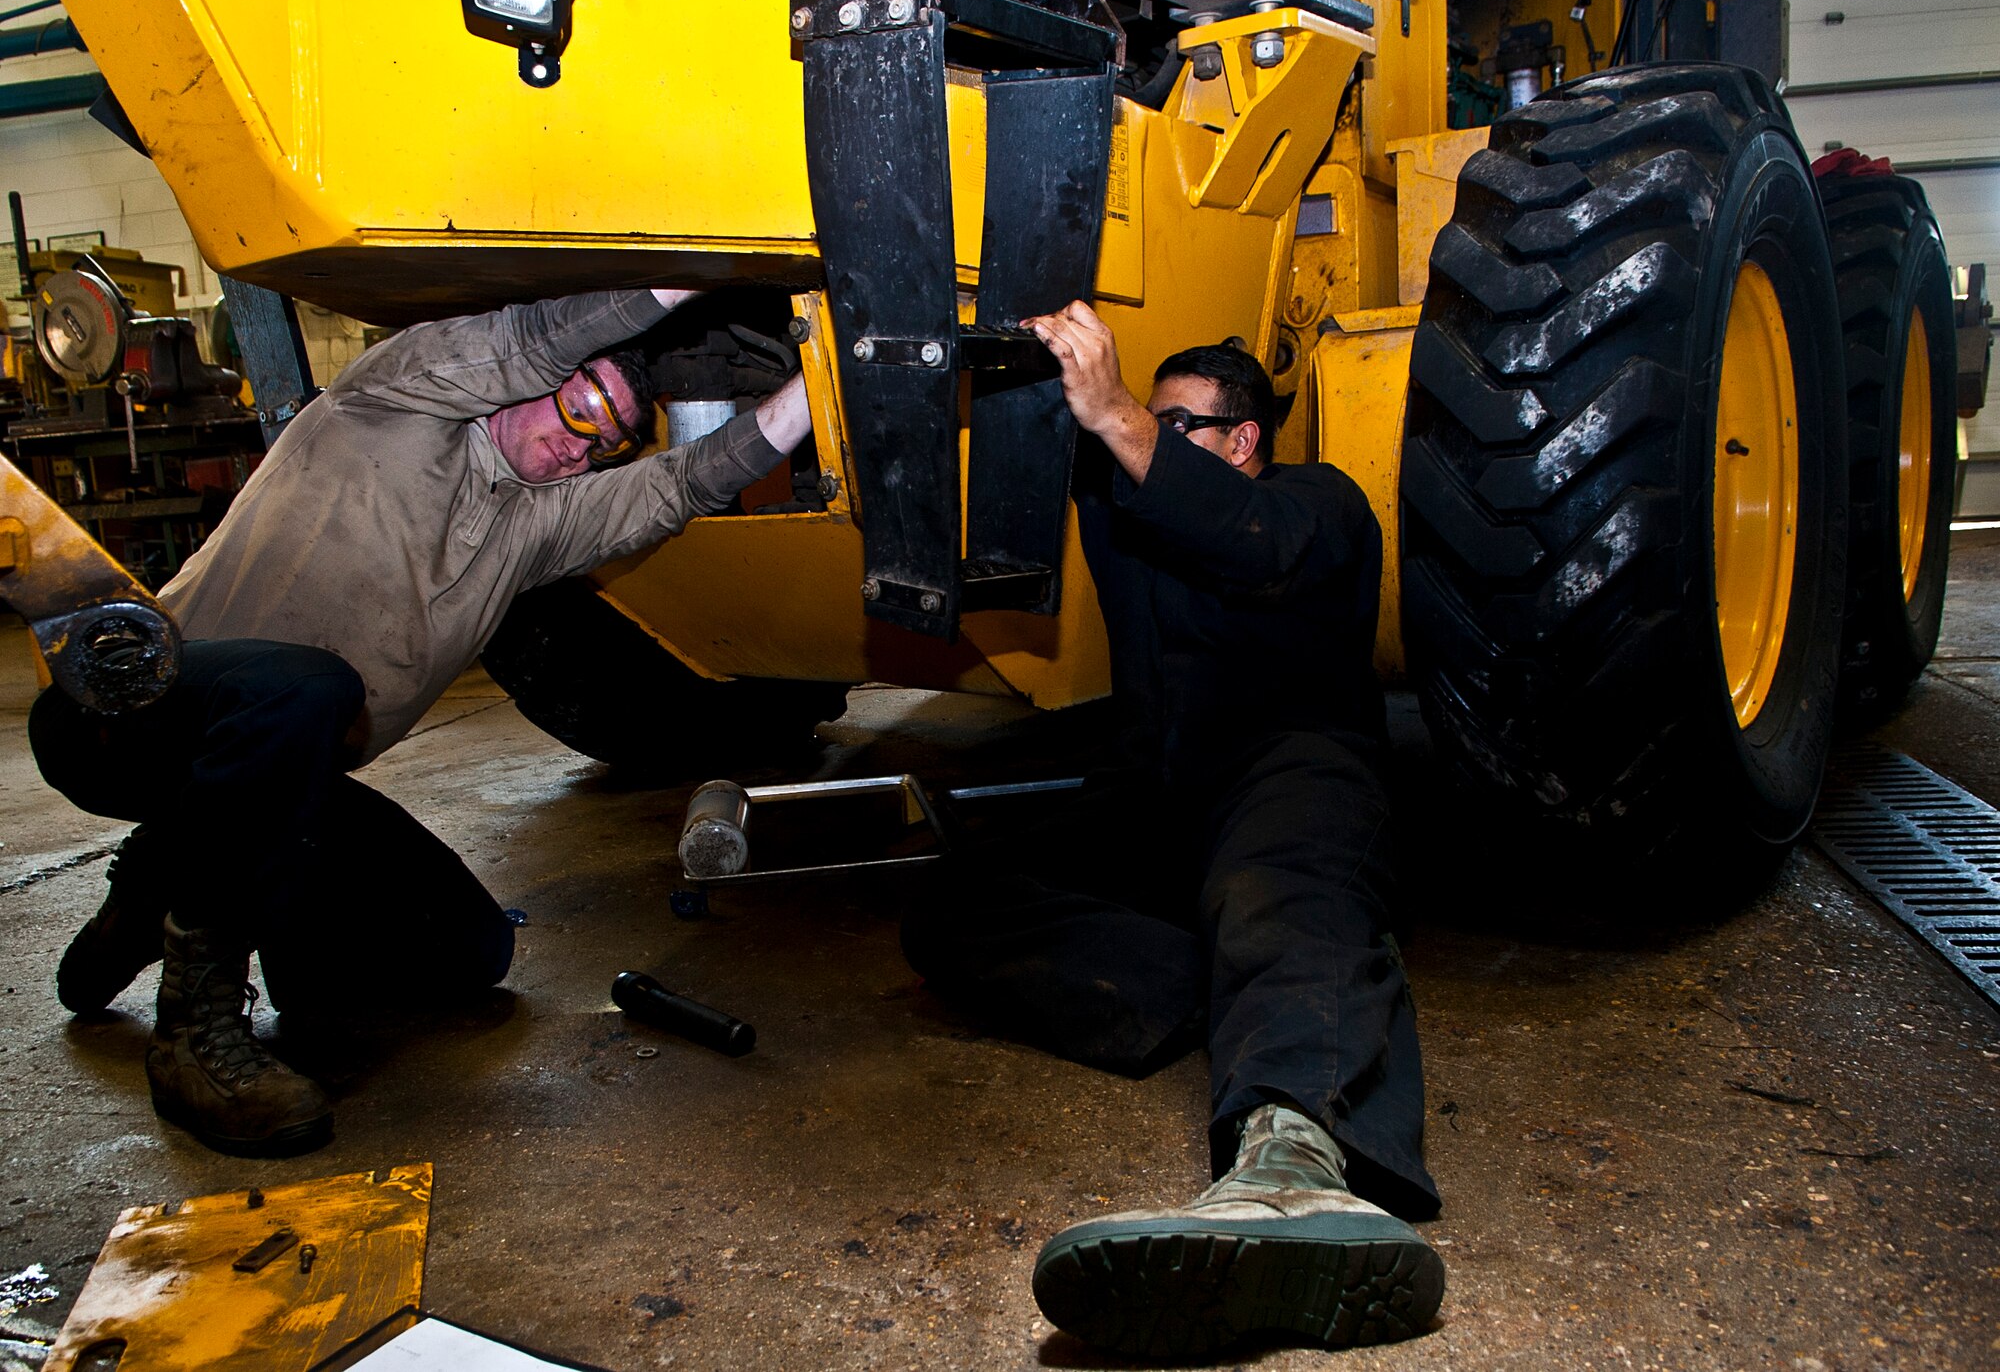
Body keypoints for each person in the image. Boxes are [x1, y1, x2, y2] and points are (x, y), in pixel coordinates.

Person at [29, 287, 812, 1158]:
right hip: (128, 712)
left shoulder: (528, 528)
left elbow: (679, 485)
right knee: (306, 689)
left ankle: (166, 883)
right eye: (579, 406)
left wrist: (821, 383)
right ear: (528, 383)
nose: (579, 443)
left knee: (468, 953)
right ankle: (193, 1022)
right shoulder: (394, 401)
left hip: (279, 781)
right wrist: (684, 265)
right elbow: (534, 333)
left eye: (606, 439)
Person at [900, 301, 1445, 1359]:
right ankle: (1230, 990)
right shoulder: (1132, 508)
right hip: (1167, 796)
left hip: (1295, 772)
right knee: (954, 898)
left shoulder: (1317, 503)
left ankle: (1294, 1163)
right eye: (1136, 419)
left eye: (1172, 423)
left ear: (1240, 439)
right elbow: (1043, 447)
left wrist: (1114, 412)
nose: (1137, 436)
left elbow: (1251, 543)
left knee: (1277, 899)